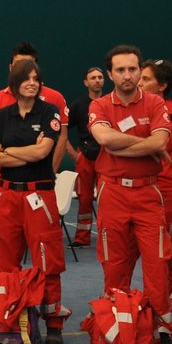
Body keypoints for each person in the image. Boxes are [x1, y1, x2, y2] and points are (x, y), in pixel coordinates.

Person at [90, 45, 172, 341]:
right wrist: (145, 144)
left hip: (148, 194)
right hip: (112, 193)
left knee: (157, 264)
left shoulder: (154, 103)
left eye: (132, 69)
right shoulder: (100, 106)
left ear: (140, 71)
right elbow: (103, 138)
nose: (127, 75)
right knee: (114, 266)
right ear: (111, 74)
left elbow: (160, 141)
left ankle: (161, 329)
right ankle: (117, 327)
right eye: (120, 70)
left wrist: (122, 144)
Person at [0, 57, 68, 344]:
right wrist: (22, 151)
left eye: (36, 78)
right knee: (3, 261)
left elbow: (42, 153)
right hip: (8, 195)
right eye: (26, 78)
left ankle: (53, 323)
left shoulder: (50, 112)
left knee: (48, 260)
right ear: (15, 83)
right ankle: (8, 320)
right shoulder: (2, 115)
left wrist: (9, 150)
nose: (32, 83)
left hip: (39, 195)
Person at [139, 59, 172, 328]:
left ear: (162, 85)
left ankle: (163, 321)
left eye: (146, 79)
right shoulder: (137, 112)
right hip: (142, 190)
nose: (139, 82)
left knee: (168, 259)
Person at [0, 42, 70, 172]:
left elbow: (61, 139)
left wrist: (49, 171)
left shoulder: (53, 100)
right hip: (4, 183)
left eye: (29, 65)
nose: (24, 69)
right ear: (11, 68)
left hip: (41, 181)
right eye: (19, 65)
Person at [64, 65, 104, 247]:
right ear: (86, 82)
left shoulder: (110, 102)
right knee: (85, 199)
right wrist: (74, 155)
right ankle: (82, 238)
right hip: (85, 159)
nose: (97, 80)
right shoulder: (78, 105)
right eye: (93, 77)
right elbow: (61, 132)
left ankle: (110, 237)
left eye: (100, 77)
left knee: (108, 200)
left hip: (107, 159)